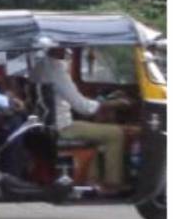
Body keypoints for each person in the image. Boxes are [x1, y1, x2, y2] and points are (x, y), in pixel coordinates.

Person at [31, 46, 127, 190]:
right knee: (116, 133)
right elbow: (83, 107)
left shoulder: (40, 65)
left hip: (47, 124)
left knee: (99, 133)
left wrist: (99, 102)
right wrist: (116, 103)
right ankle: (113, 183)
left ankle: (91, 178)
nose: (67, 50)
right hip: (62, 127)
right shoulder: (56, 70)